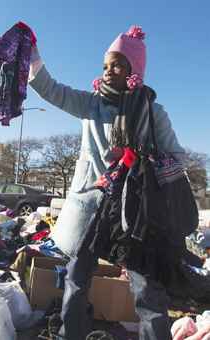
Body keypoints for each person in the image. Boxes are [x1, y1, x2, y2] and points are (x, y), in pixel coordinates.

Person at [26, 25, 185, 339]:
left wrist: (141, 161)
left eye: (117, 64)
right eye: (105, 66)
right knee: (76, 279)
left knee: (146, 290)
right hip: (90, 209)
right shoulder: (90, 104)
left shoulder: (153, 113)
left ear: (133, 69)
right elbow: (50, 88)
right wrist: (31, 55)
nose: (109, 71)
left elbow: (176, 157)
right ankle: (69, 334)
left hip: (134, 215)